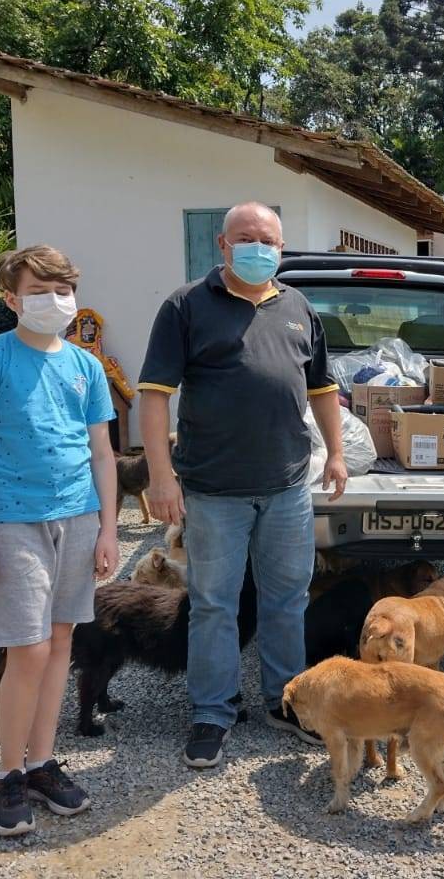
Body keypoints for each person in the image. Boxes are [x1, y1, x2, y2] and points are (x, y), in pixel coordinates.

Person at [138, 201, 347, 769]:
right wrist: (160, 476)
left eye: (271, 241)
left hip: (287, 487)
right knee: (213, 604)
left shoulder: (299, 306)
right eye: (248, 239)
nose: (261, 249)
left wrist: (336, 453)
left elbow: (322, 387)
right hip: (212, 490)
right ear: (223, 246)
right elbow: (154, 394)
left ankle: (288, 701)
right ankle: (212, 710)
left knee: (287, 598)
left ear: (281, 249)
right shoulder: (186, 306)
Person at [0, 245, 119, 837]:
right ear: (11, 298)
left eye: (63, 289)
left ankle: (44, 762)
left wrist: (108, 528)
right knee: (25, 649)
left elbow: (101, 452)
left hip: (77, 519)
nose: (55, 301)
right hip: (9, 522)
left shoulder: (87, 366)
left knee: (59, 643)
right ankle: (8, 774)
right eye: (40, 290)